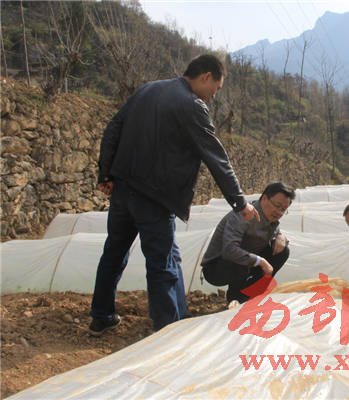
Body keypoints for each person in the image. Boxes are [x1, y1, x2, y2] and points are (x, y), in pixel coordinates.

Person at [88, 54, 259, 336]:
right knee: (163, 264)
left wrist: (105, 174)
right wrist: (240, 203)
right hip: (154, 196)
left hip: (123, 189)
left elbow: (113, 129)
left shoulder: (146, 89)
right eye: (216, 88)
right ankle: (168, 333)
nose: (214, 95)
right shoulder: (192, 105)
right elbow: (216, 158)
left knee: (115, 253)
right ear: (206, 77)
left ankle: (102, 316)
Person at [202, 182, 295, 307]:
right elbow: (229, 250)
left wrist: (281, 237)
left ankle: (250, 297)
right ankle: (234, 299)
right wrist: (261, 261)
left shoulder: (270, 217)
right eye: (277, 206)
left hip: (246, 263)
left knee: (282, 252)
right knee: (241, 262)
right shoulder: (242, 215)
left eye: (283, 209)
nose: (279, 212)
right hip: (218, 267)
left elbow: (276, 234)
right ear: (264, 198)